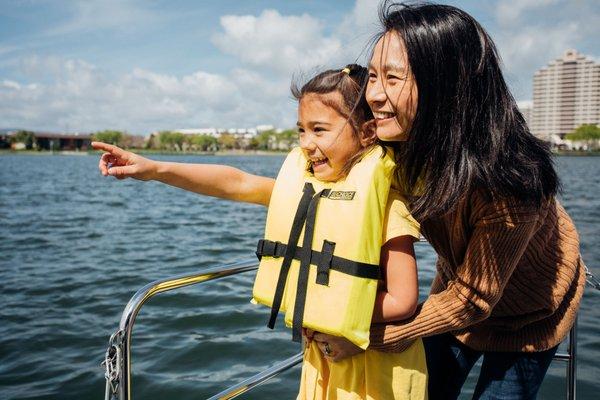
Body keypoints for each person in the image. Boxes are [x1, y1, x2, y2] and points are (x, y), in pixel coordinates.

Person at [93, 65, 427, 399]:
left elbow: (403, 298)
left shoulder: (387, 205)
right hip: (325, 358)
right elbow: (237, 183)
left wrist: (335, 313)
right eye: (301, 131)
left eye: (320, 130)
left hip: (376, 368)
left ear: (368, 132)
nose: (307, 145)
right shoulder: (306, 190)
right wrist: (154, 169)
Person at [308, 3, 586, 400]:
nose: (374, 95)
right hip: (457, 292)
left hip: (533, 310)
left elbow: (474, 299)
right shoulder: (399, 150)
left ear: (447, 85)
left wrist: (370, 335)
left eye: (392, 78)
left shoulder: (512, 180)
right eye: (372, 76)